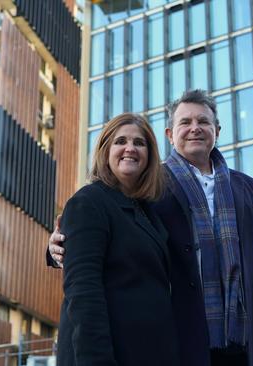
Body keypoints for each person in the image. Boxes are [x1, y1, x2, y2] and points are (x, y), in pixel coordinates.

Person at [49, 90, 253, 366]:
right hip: (182, 338)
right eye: (185, 122)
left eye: (203, 122)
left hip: (243, 337)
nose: (195, 128)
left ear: (217, 130)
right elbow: (107, 225)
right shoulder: (152, 185)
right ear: (169, 134)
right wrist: (57, 247)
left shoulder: (249, 189)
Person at [55, 113, 179, 366]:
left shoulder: (150, 213)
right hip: (107, 356)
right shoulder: (88, 202)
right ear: (105, 150)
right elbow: (83, 292)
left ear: (150, 156)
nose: (130, 148)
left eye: (139, 143)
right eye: (120, 141)